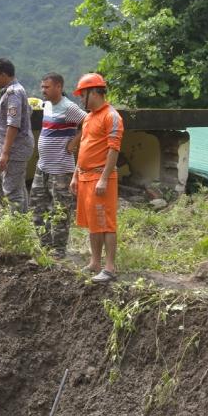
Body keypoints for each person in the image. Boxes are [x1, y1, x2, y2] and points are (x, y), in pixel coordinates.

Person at [70, 72, 123, 283]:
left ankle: (109, 268)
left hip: (101, 178)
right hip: (85, 178)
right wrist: (76, 175)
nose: (81, 99)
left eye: (83, 95)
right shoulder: (89, 118)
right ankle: (95, 262)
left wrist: (104, 179)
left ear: (94, 92)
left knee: (106, 223)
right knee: (93, 222)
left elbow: (114, 149)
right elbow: (83, 147)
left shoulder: (112, 116)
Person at [31, 73, 86, 255]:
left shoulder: (69, 107)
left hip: (61, 169)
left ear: (59, 87)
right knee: (37, 208)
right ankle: (45, 246)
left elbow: (89, 123)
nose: (43, 90)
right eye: (42, 87)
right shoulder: (47, 105)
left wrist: (74, 142)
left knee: (60, 211)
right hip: (42, 167)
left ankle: (58, 250)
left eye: (46, 87)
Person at [0, 58, 35, 212]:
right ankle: (23, 220)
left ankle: (16, 223)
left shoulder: (13, 93)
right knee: (19, 188)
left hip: (14, 150)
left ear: (3, 74)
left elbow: (13, 124)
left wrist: (5, 153)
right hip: (17, 149)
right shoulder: (17, 90)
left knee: (12, 191)